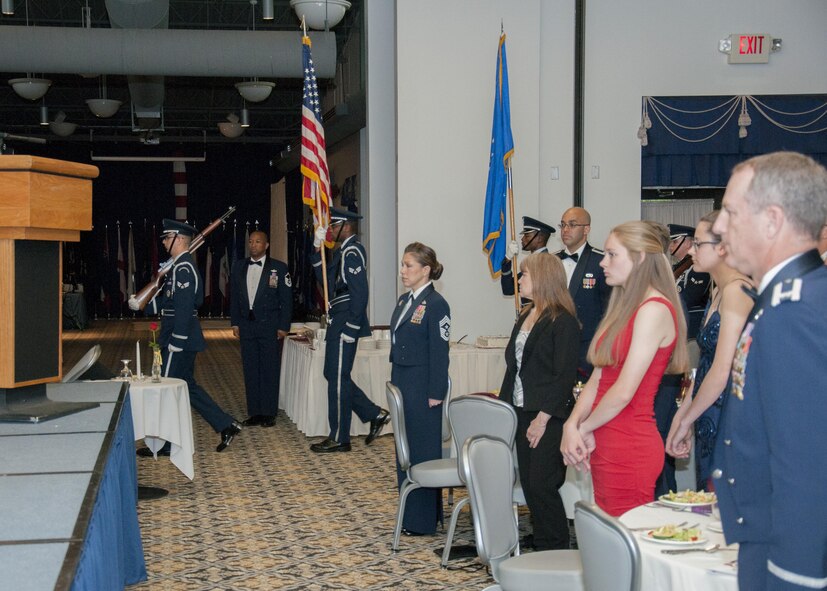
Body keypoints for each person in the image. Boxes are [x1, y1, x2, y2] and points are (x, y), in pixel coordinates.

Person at [709, 152, 827, 591]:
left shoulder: (795, 312)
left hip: (787, 555)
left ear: (772, 221)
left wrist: (795, 576)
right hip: (766, 535)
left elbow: (808, 463)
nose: (720, 226)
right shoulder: (784, 299)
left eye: (731, 212)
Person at [561, 221, 688, 517]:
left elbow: (624, 391)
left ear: (640, 257)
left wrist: (584, 428)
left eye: (612, 254)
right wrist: (573, 423)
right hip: (607, 436)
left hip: (628, 443)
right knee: (609, 540)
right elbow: (599, 376)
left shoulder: (654, 309)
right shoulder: (625, 306)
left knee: (623, 546)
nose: (603, 262)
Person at [132, 219, 242, 454]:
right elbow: (169, 301)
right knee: (186, 386)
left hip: (178, 337)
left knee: (167, 388)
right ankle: (226, 424)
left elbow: (185, 306)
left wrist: (177, 341)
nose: (162, 241)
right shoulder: (177, 266)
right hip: (176, 333)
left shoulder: (183, 268)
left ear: (179, 239)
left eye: (166, 237)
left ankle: (167, 443)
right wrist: (144, 304)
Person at [664, 211, 752, 491]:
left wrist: (686, 420)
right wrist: (685, 413)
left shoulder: (738, 290)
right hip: (709, 408)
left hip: (730, 411)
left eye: (698, 243)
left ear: (723, 247)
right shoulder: (718, 290)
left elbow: (723, 368)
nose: (691, 249)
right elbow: (705, 362)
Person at [499, 253, 580, 550]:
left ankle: (555, 547)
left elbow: (563, 377)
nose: (519, 280)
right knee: (531, 485)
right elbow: (514, 366)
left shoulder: (563, 321)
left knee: (543, 484)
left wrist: (543, 418)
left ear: (543, 279)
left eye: (525, 275)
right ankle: (544, 541)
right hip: (521, 410)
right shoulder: (526, 315)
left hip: (548, 415)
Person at [309, 208, 389, 453]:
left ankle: (339, 437)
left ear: (346, 226)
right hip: (339, 317)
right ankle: (373, 413)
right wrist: (316, 247)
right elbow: (326, 281)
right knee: (332, 373)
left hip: (346, 320)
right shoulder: (342, 252)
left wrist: (352, 327)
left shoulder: (353, 251)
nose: (330, 230)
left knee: (338, 377)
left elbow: (360, 293)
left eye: (333, 226)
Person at [389, 242, 451, 535]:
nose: (403, 271)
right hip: (403, 381)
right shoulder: (405, 301)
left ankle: (423, 521)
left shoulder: (437, 304)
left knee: (423, 452)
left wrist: (436, 393)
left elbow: (440, 352)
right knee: (405, 450)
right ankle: (409, 513)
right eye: (402, 265)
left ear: (426, 270)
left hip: (424, 388)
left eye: (409, 265)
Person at [230, 230, 293, 428]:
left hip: (269, 326)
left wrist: (284, 326)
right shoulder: (239, 266)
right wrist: (235, 322)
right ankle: (255, 412)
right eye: (251, 241)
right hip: (247, 326)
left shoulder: (279, 268)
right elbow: (234, 296)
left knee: (269, 369)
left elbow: (287, 300)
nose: (253, 245)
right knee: (250, 370)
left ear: (266, 245)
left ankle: (269, 412)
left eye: (258, 242)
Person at [555, 207, 611, 382]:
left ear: (586, 229)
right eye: (563, 225)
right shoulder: (552, 261)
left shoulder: (600, 262)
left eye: (572, 225)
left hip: (586, 348)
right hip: (555, 346)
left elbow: (609, 310)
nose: (565, 230)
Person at [668, 223, 712, 339]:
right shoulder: (679, 267)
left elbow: (690, 298)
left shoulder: (698, 268)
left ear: (687, 242)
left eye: (674, 241)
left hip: (692, 331)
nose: (670, 246)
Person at [500, 215, 554, 296]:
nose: (522, 239)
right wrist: (508, 258)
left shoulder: (545, 263)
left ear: (540, 238)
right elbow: (508, 289)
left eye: (527, 236)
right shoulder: (533, 262)